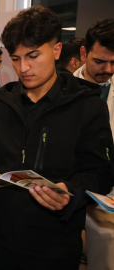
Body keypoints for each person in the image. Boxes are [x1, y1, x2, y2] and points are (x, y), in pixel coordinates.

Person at [0, 6, 114, 270]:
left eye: (32, 55)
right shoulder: (2, 102)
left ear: (56, 50)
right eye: (16, 58)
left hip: (54, 243)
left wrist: (70, 192)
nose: (24, 67)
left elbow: (101, 172)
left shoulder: (88, 106)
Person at [73, 18, 114, 270]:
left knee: (104, 261)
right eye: (100, 61)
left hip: (108, 198)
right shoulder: (61, 88)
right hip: (70, 189)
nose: (108, 69)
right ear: (83, 54)